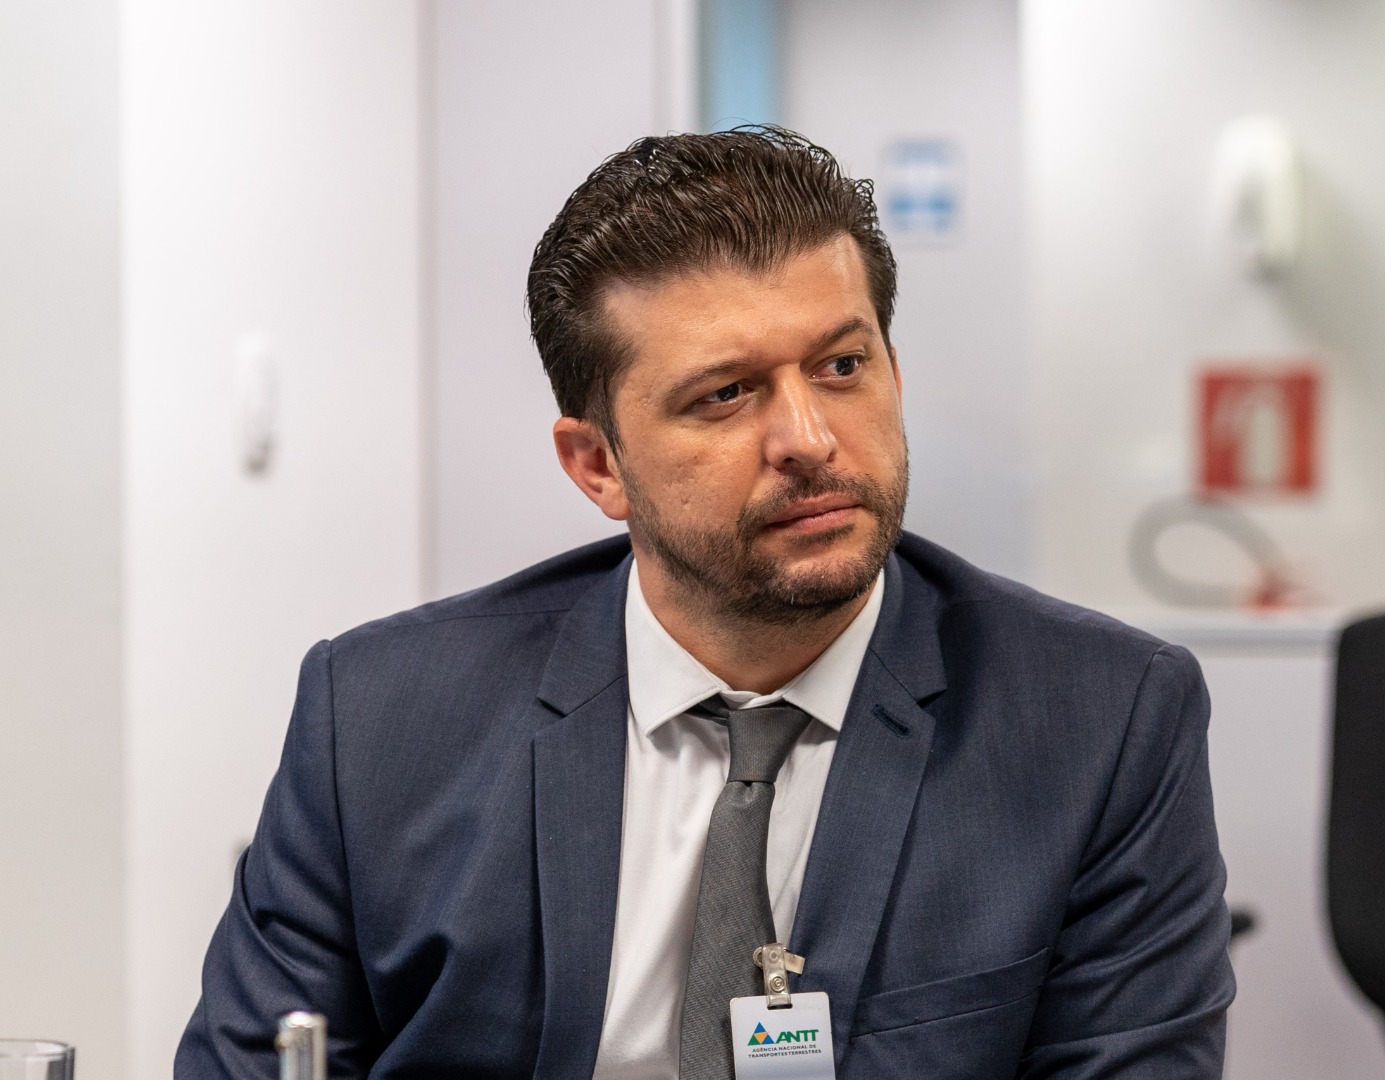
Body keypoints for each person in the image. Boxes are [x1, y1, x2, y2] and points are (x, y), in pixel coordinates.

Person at [177, 127, 1234, 1080]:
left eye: (842, 366)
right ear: (598, 465)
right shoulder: (379, 719)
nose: (809, 440)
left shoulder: (1099, 720)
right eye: (725, 394)